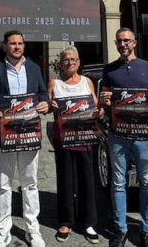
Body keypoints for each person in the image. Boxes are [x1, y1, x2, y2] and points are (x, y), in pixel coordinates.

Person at [99, 28, 148, 247]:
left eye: (127, 41)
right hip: (118, 134)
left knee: (146, 182)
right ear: (115, 44)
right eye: (119, 41)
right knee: (118, 182)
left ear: (135, 43)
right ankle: (120, 229)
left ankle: (147, 230)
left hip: (144, 134)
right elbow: (104, 101)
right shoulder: (109, 69)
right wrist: (104, 100)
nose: (123, 44)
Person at [0, 30, 49, 247]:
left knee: (30, 183)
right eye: (12, 43)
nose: (17, 47)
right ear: (4, 46)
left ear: (24, 46)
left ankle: (33, 230)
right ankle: (3, 231)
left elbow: (42, 93)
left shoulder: (34, 68)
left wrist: (45, 103)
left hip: (29, 133)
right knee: (3, 185)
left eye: (20, 43)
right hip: (4, 135)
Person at [48, 46, 100, 244]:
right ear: (60, 63)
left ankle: (88, 222)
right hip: (63, 138)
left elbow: (95, 106)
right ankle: (66, 221)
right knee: (65, 179)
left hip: (85, 136)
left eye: (73, 59)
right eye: (66, 59)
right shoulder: (54, 83)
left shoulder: (87, 81)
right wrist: (50, 105)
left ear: (78, 62)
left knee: (87, 179)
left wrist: (99, 111)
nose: (70, 62)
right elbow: (46, 105)